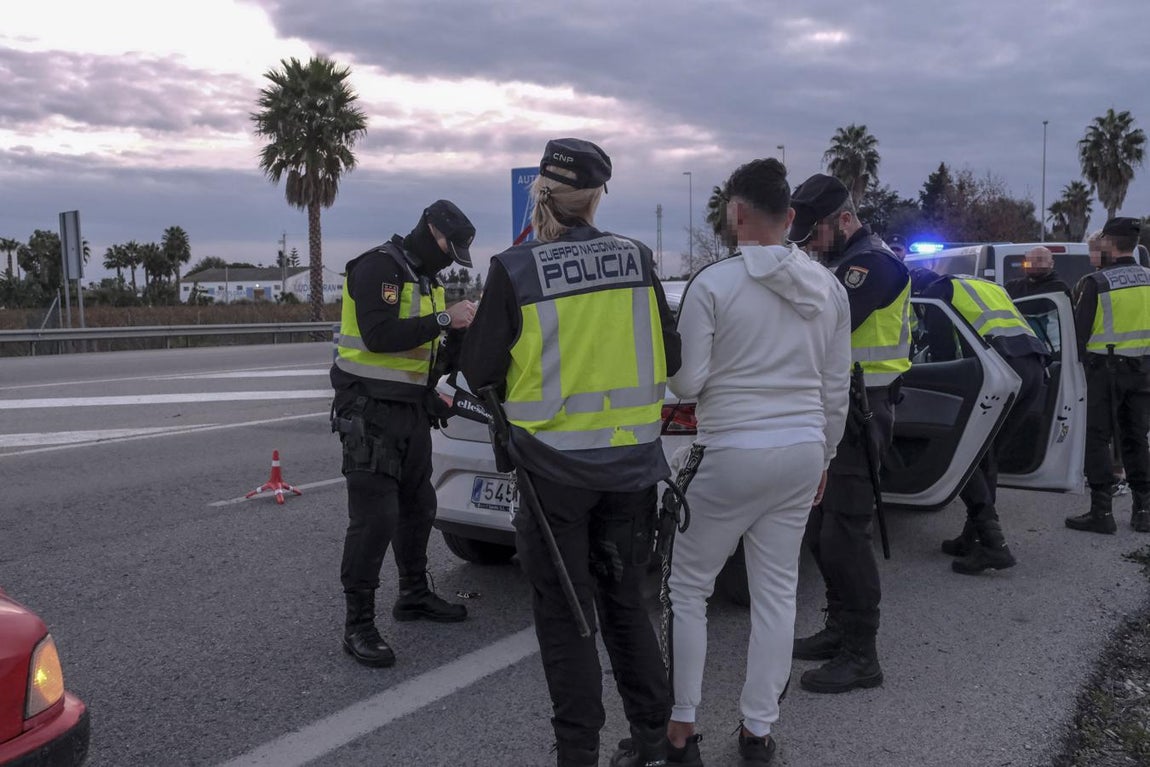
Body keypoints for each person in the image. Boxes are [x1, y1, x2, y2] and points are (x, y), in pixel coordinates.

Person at [460, 138, 681, 767]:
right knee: (625, 607)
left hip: (552, 476)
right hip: (631, 470)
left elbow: (479, 370)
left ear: (543, 195)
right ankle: (655, 742)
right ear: (597, 197)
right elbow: (676, 356)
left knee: (567, 618)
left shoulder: (515, 268)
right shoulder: (637, 259)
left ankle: (576, 754)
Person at [665, 159, 851, 765]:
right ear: (790, 216)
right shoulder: (830, 289)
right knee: (778, 593)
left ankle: (683, 724)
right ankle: (758, 731)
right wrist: (824, 453)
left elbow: (689, 383)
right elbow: (835, 387)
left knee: (688, 587)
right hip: (801, 451)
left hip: (731, 451)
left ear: (737, 213)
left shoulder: (712, 285)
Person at [330, 200, 478, 668]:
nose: (450, 259)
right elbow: (378, 336)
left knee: (419, 508)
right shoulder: (377, 267)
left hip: (410, 412)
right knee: (375, 520)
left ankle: (413, 595)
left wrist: (454, 352)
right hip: (368, 413)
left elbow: (422, 359)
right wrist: (443, 320)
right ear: (429, 230)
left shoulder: (427, 282)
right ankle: (359, 626)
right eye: (447, 248)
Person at [787, 174, 911, 694]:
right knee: (820, 531)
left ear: (843, 219)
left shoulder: (874, 265)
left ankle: (864, 654)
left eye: (815, 232)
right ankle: (839, 628)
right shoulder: (838, 262)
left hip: (863, 412)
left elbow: (820, 324)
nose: (810, 244)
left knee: (845, 536)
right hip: (834, 409)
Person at [910, 269, 1049, 573]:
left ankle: (992, 543)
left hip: (1000, 370)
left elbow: (942, 354)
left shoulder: (935, 292)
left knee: (966, 453)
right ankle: (972, 537)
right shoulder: (983, 285)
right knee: (987, 454)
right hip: (1033, 369)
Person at [1066, 217, 1150, 534]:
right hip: (1143, 370)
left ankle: (1102, 512)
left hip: (1104, 371)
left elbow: (1077, 335)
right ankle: (1143, 510)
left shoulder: (1096, 283)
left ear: (1110, 244)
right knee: (1136, 438)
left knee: (1097, 437)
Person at [1004, 245, 1070, 299]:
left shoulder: (1059, 288)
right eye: (1030, 260)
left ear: (1051, 264)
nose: (1034, 264)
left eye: (1040, 260)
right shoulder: (1012, 287)